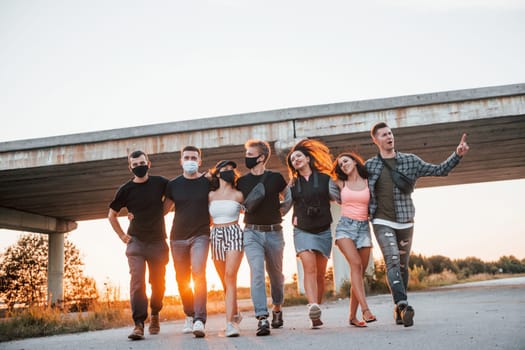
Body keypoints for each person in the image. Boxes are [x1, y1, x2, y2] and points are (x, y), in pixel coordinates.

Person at [366, 122, 470, 327]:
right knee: (393, 260)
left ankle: (398, 309)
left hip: (405, 220)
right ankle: (403, 304)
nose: (389, 137)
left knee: (403, 266)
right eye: (384, 135)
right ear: (375, 140)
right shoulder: (370, 166)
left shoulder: (410, 160)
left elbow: (439, 170)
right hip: (381, 221)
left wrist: (457, 155)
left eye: (390, 133)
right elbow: (351, 182)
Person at [108, 150, 169, 340]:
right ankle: (139, 324)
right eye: (135, 165)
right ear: (130, 168)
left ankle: (155, 313)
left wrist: (162, 211)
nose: (139, 167)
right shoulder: (125, 189)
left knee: (158, 283)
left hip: (158, 242)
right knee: (137, 282)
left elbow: (175, 196)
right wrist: (122, 236)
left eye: (142, 163)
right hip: (136, 243)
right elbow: (111, 215)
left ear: (148, 164)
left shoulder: (161, 183)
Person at [236, 139, 289, 336]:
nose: (246, 158)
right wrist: (241, 209)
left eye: (250, 155)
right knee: (256, 273)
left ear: (261, 157)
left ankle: (277, 308)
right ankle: (262, 318)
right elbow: (239, 203)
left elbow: (288, 196)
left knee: (277, 276)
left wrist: (283, 210)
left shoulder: (275, 178)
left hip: (275, 233)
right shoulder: (241, 181)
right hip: (251, 233)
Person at [286, 138, 339, 329]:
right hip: (302, 230)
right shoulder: (292, 184)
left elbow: (339, 198)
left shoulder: (325, 179)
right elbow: (284, 207)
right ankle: (313, 306)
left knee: (320, 274)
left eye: (299, 156)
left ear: (308, 158)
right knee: (309, 268)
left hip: (323, 230)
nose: (296, 160)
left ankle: (317, 311)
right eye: (293, 159)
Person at [164, 145, 211, 338]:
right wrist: (136, 214)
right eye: (187, 157)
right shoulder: (173, 184)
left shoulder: (208, 182)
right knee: (182, 278)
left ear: (199, 161)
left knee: (198, 272)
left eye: (194, 157)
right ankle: (189, 315)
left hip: (201, 235)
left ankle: (199, 319)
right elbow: (162, 211)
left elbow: (218, 200)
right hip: (177, 238)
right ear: (181, 161)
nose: (190, 160)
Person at [333, 151, 376, 328]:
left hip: (364, 228)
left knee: (358, 272)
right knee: (356, 265)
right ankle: (366, 310)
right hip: (345, 228)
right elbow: (320, 178)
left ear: (355, 162)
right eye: (341, 164)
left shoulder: (368, 182)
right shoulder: (340, 183)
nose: (343, 165)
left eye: (346, 161)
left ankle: (352, 317)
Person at [208, 160, 245, 337]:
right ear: (217, 173)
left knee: (230, 276)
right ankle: (235, 314)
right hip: (216, 235)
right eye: (225, 169)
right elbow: (207, 220)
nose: (229, 172)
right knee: (225, 282)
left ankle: (230, 323)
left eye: (232, 169)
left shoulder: (239, 195)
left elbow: (252, 211)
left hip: (234, 233)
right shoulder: (210, 196)